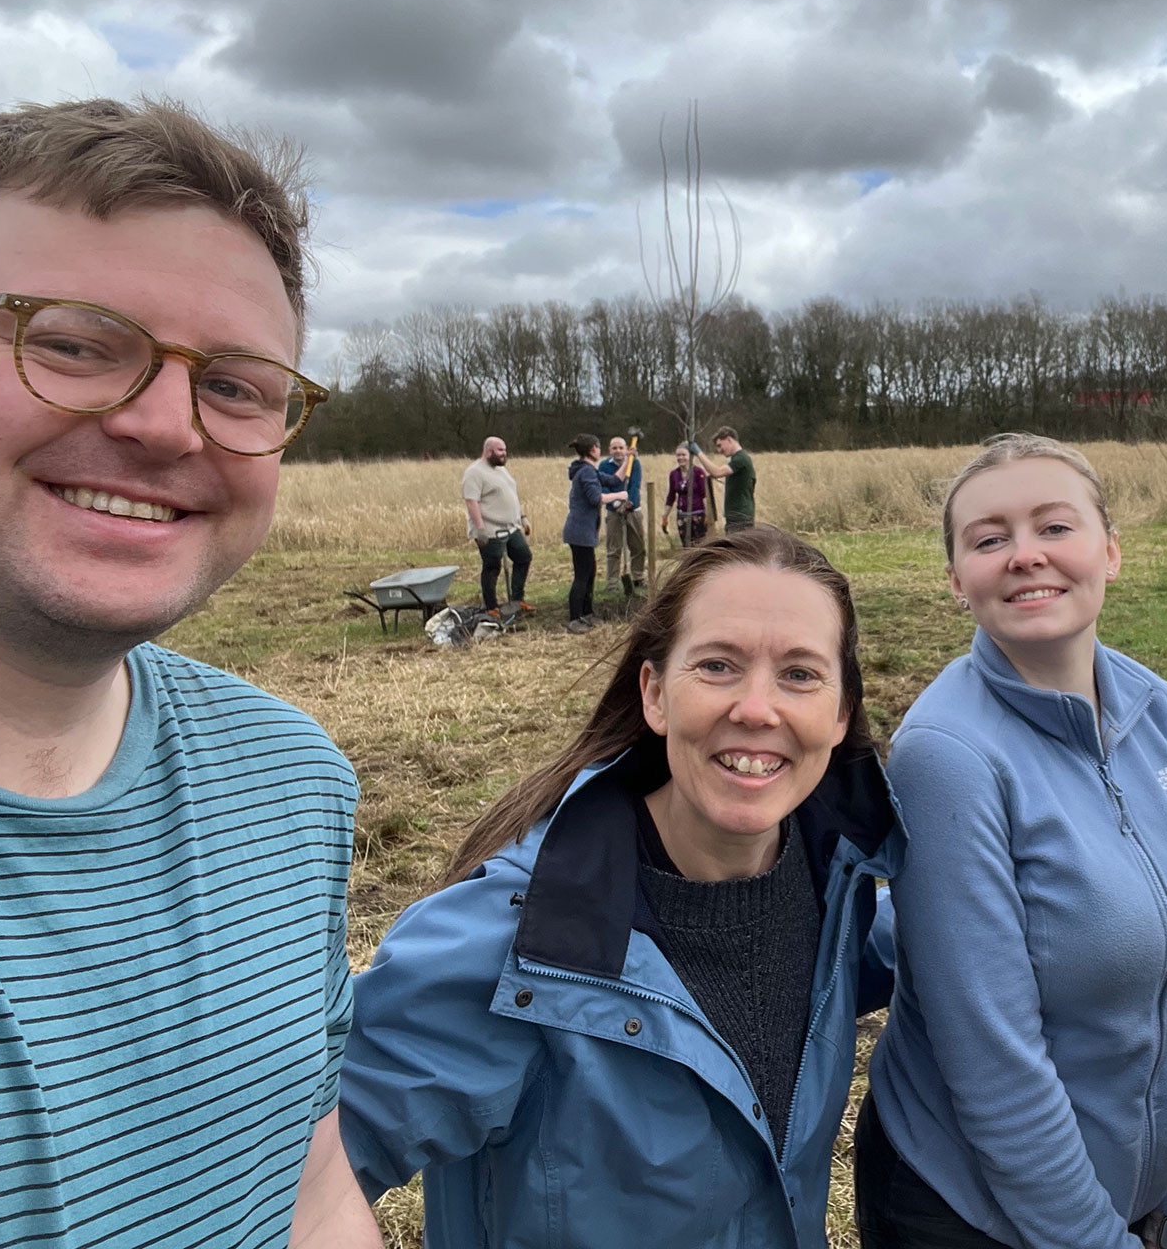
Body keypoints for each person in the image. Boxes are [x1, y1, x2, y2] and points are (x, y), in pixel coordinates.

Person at [0, 97, 379, 1244]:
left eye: (238, 385)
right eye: (71, 341)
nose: (166, 425)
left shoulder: (294, 780)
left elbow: (312, 1179)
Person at [340, 529, 900, 1248]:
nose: (758, 709)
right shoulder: (517, 947)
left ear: (842, 714)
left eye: (800, 675)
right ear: (656, 693)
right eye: (719, 665)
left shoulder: (838, 892)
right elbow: (280, 1174)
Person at [861, 434, 1167, 1249]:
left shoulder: (1161, 711)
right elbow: (992, 1057)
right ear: (958, 581)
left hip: (1139, 1189)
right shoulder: (946, 758)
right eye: (990, 539)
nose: (1026, 556)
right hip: (973, 1209)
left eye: (1054, 528)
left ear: (1111, 551)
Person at [463, 435, 533, 612]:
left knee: (523, 557)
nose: (504, 454)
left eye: (505, 450)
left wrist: (522, 516)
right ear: (488, 451)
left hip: (511, 526)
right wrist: (480, 529)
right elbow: (472, 502)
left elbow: (511, 495)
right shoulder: (474, 473)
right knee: (492, 567)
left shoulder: (501, 470)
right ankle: (491, 607)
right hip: (490, 529)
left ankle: (517, 599)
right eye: (500, 450)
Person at [561, 433, 605, 631]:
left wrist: (630, 459)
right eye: (598, 447)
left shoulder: (587, 470)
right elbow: (596, 498)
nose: (600, 450)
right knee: (582, 575)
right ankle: (574, 618)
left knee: (590, 573)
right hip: (580, 532)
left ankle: (587, 612)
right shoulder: (586, 472)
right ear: (592, 449)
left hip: (583, 532)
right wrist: (620, 496)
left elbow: (612, 479)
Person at [599, 433, 647, 599]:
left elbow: (635, 485)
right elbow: (604, 488)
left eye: (621, 447)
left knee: (638, 546)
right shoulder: (604, 466)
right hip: (614, 512)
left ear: (627, 449)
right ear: (609, 450)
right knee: (613, 549)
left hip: (633, 510)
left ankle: (638, 577)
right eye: (615, 448)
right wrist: (617, 504)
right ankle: (612, 583)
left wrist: (629, 503)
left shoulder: (635, 464)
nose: (618, 451)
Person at [697, 424, 758, 530]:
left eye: (720, 445)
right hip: (735, 517)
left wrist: (698, 452)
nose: (719, 450)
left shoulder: (741, 458)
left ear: (729, 439)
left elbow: (717, 472)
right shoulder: (736, 459)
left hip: (741, 518)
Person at [665, 440, 711, 545]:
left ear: (690, 456)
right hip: (682, 516)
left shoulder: (699, 472)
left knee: (700, 546)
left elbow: (705, 496)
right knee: (686, 547)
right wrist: (665, 516)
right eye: (678, 455)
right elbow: (671, 496)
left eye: (683, 455)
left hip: (698, 515)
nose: (681, 458)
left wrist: (707, 515)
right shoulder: (674, 474)